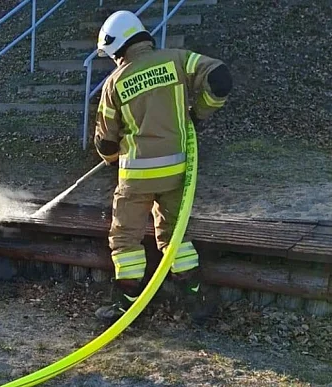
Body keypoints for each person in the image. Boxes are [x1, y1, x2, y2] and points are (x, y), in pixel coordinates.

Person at [91, 10, 232, 324]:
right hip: (177, 171)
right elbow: (220, 78)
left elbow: (105, 142)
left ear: (119, 48)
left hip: (136, 178)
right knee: (174, 235)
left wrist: (112, 160)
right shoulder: (177, 60)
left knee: (125, 239)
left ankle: (126, 306)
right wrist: (199, 114)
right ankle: (196, 298)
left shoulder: (115, 83)